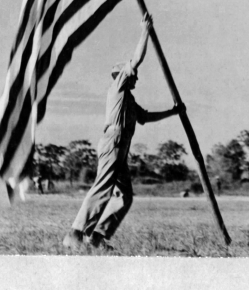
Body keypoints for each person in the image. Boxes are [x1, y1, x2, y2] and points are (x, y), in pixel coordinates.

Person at [62, 13, 183, 250]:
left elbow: (146, 118)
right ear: (121, 76)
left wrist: (174, 111)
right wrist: (145, 31)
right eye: (131, 74)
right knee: (103, 187)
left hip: (121, 148)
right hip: (113, 142)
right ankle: (75, 233)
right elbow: (136, 60)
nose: (135, 77)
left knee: (125, 196)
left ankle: (98, 237)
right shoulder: (117, 89)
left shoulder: (129, 101)